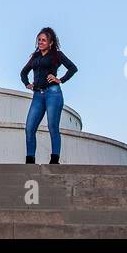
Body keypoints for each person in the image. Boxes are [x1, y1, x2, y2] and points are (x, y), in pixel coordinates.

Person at [20, 27, 77, 164]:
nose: (40, 42)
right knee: (29, 127)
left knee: (52, 126)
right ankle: (30, 160)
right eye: (39, 40)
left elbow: (73, 68)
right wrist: (27, 83)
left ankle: (54, 159)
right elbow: (23, 72)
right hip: (37, 95)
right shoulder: (35, 56)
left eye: (44, 40)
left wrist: (60, 79)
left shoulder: (56, 54)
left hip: (53, 93)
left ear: (50, 42)